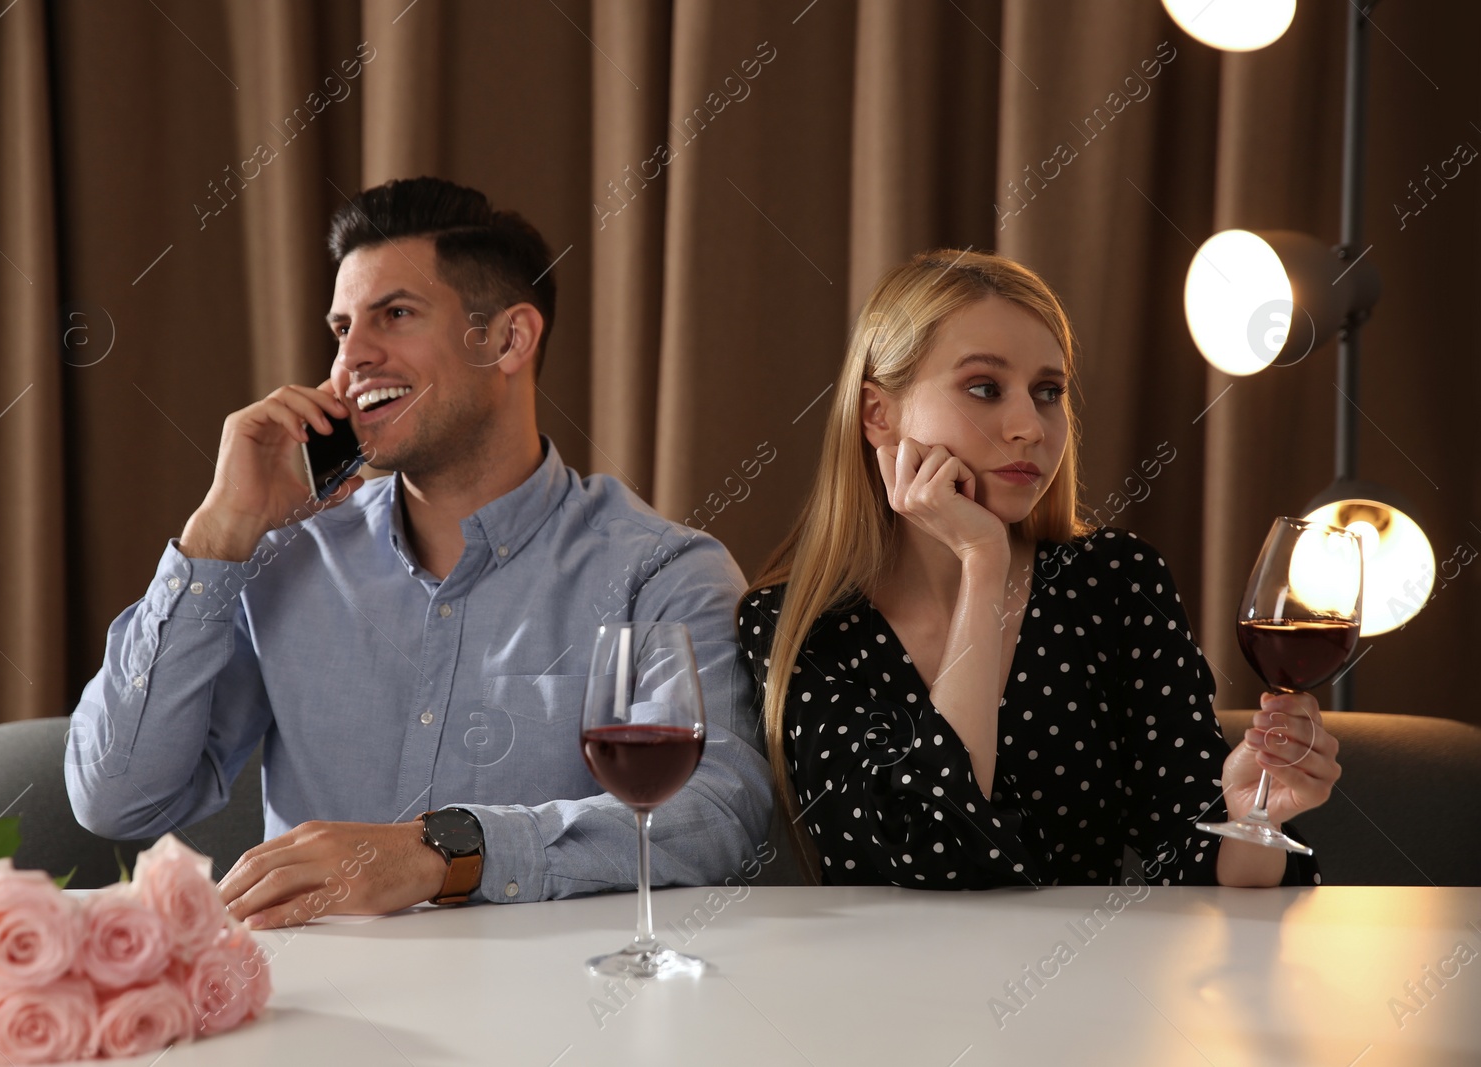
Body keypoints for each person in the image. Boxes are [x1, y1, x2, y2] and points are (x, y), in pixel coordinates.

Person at [66, 177, 771, 926]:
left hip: (551, 1022)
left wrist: (448, 851)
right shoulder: (281, 560)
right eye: (341, 330)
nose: (351, 360)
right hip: (312, 1024)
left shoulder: (659, 571)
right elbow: (117, 796)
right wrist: (219, 530)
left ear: (508, 338)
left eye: (394, 315)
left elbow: (720, 814)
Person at [738, 249, 1339, 889]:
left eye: (1048, 392)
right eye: (983, 388)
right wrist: (982, 560)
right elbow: (937, 857)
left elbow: (1203, 872)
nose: (1029, 426)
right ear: (877, 415)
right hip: (879, 986)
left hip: (1085, 986)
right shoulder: (799, 622)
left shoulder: (1115, 584)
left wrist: (1254, 817)